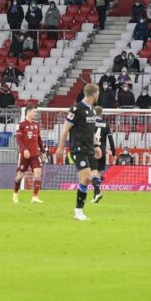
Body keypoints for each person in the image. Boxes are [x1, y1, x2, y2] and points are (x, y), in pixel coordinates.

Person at [54, 83, 102, 221]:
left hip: (89, 149)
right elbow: (65, 129)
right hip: (78, 149)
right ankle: (78, 210)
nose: (98, 95)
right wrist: (60, 147)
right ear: (94, 94)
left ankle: (79, 210)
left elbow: (90, 132)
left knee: (84, 179)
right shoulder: (76, 109)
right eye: (97, 93)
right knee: (87, 176)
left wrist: (97, 145)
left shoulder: (92, 110)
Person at [13, 105, 45, 204]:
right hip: (25, 155)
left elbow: (39, 139)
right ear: (29, 112)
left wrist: (43, 151)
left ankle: (35, 197)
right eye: (34, 112)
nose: (35, 114)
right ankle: (15, 194)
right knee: (19, 176)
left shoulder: (36, 124)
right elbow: (18, 139)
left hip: (35, 154)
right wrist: (24, 149)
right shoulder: (21, 124)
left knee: (38, 173)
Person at [92, 105, 117, 202]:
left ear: (94, 112)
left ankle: (97, 193)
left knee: (93, 173)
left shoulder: (91, 123)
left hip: (93, 149)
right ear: (101, 113)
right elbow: (111, 140)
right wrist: (114, 153)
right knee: (98, 173)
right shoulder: (106, 125)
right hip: (102, 149)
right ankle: (95, 196)